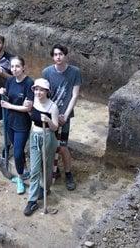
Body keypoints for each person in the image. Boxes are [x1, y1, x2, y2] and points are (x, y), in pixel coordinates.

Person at [42, 44, 81, 191]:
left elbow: (75, 95)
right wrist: (53, 114)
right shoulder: (47, 72)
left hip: (65, 116)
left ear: (65, 55)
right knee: (50, 144)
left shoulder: (75, 72)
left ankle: (68, 173)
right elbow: (44, 95)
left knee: (63, 146)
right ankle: (53, 169)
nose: (58, 57)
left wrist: (65, 114)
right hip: (50, 115)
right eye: (55, 54)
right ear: (53, 57)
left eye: (61, 54)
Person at [23, 78, 59, 216]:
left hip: (48, 137)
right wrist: (27, 108)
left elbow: (55, 127)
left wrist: (49, 120)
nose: (38, 92)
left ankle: (45, 188)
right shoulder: (34, 101)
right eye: (36, 89)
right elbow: (32, 115)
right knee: (35, 169)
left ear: (47, 92)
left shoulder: (53, 107)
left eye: (41, 90)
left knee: (47, 167)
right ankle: (31, 201)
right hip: (34, 136)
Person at [0, 57, 34, 195]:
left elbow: (28, 108)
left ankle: (19, 178)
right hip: (9, 121)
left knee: (18, 152)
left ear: (23, 67)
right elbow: (9, 97)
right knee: (17, 151)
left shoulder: (29, 83)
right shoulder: (10, 81)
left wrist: (9, 106)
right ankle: (23, 171)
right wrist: (3, 92)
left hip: (22, 123)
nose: (14, 69)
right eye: (12, 67)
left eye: (17, 66)